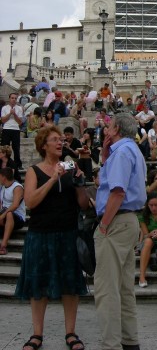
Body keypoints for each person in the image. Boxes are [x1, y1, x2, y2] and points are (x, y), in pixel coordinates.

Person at [15, 126, 88, 350]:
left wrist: (80, 183)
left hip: (67, 233)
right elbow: (30, 202)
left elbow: (83, 204)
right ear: (43, 145)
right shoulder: (33, 171)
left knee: (70, 285)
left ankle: (71, 332)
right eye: (54, 140)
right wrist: (52, 178)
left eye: (61, 140)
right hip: (40, 234)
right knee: (38, 284)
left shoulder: (71, 167)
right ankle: (37, 334)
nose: (60, 143)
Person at [94, 113, 147, 350]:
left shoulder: (122, 153)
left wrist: (104, 224)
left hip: (115, 223)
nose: (105, 130)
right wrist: (106, 155)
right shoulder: (130, 150)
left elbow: (117, 192)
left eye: (108, 126)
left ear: (116, 128)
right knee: (125, 288)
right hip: (128, 221)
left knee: (106, 289)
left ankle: (111, 344)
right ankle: (129, 340)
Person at [0, 167, 26, 255]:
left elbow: (15, 205)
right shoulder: (2, 187)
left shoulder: (17, 187)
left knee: (9, 214)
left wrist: (2, 216)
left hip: (17, 217)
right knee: (7, 214)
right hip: (3, 213)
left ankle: (3, 245)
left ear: (3, 177)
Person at [1, 92, 23, 171]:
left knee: (16, 148)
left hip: (15, 129)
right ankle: (3, 162)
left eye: (15, 98)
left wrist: (15, 115)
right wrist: (10, 114)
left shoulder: (19, 108)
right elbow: (3, 120)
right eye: (12, 98)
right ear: (9, 99)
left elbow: (20, 122)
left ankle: (18, 164)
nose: (14, 100)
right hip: (6, 128)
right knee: (4, 147)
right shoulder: (4, 108)